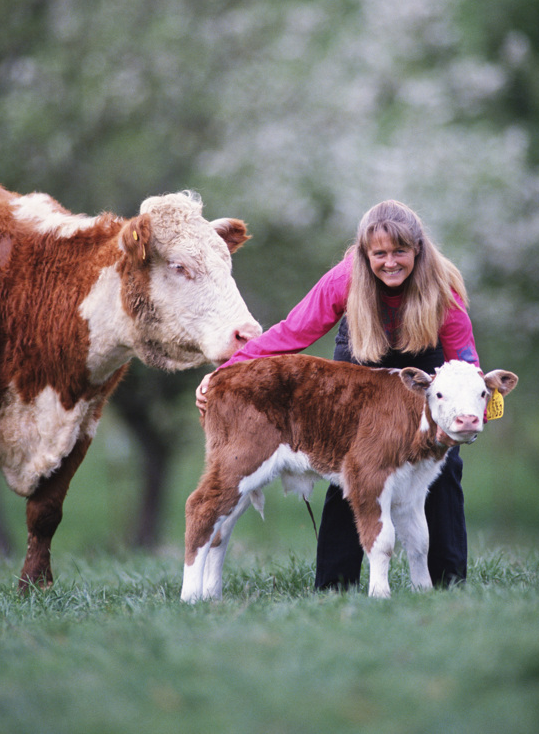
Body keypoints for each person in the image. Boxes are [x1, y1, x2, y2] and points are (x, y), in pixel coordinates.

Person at [195, 199, 480, 589]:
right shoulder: (343, 279)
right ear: (365, 255)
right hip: (364, 351)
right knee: (351, 461)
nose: (390, 262)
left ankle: (449, 581)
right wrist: (224, 372)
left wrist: (466, 408)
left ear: (418, 249)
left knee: (443, 465)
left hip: (425, 361)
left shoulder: (441, 289)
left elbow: (465, 358)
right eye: (379, 253)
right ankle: (334, 585)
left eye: (400, 251)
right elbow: (292, 332)